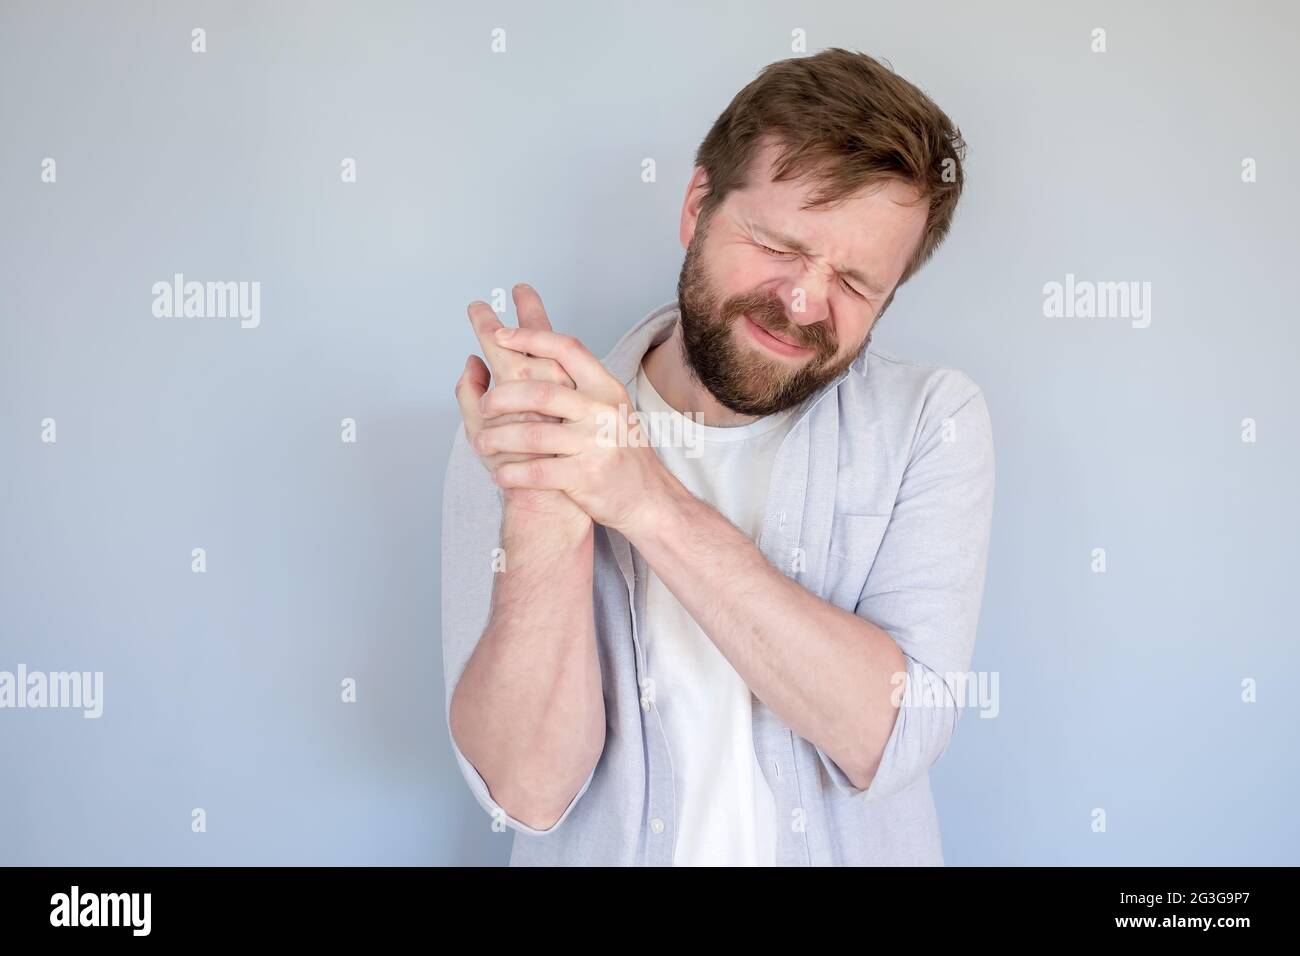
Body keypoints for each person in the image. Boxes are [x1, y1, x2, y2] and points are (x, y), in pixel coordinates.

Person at [442, 47, 994, 866]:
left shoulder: (932, 422)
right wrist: (544, 514)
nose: (804, 301)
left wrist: (643, 499)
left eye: (855, 283)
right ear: (698, 204)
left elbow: (890, 736)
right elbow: (528, 793)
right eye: (778, 244)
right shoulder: (534, 421)